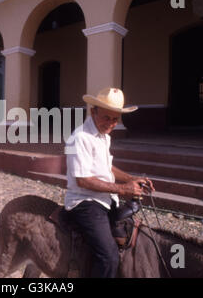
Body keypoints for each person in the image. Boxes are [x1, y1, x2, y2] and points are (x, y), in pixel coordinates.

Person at [65, 87, 155, 278]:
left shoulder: (103, 136)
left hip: (106, 199)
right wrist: (123, 189)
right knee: (109, 257)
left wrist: (132, 179)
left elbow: (108, 168)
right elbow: (83, 180)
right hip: (85, 202)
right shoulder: (79, 138)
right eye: (107, 117)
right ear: (93, 111)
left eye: (115, 119)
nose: (111, 123)